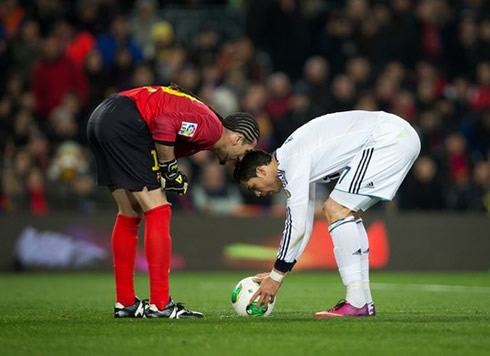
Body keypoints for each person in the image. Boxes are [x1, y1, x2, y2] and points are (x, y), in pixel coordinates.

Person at [87, 84, 259, 319]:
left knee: (129, 212)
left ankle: (125, 302)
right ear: (238, 138)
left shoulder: (204, 129)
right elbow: (164, 124)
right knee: (159, 210)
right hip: (126, 121)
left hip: (102, 118)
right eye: (245, 152)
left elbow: (162, 131)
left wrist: (168, 171)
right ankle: (161, 304)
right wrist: (170, 169)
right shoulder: (211, 129)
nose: (240, 160)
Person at [233, 110, 420, 317]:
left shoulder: (291, 162)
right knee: (346, 213)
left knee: (335, 209)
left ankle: (357, 303)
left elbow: (296, 226)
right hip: (396, 135)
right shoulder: (294, 158)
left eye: (253, 187)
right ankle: (363, 301)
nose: (258, 194)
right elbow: (304, 226)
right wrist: (278, 273)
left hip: (387, 138)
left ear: (261, 170)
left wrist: (276, 277)